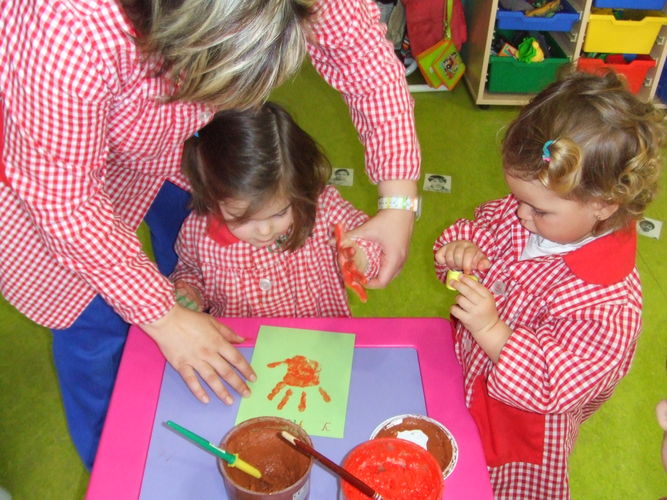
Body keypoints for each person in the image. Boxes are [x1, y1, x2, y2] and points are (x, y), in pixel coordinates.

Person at [0, 0, 420, 468]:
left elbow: (358, 50)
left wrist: (399, 201)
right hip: (60, 171)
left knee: (184, 318)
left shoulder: (259, 184)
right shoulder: (66, 23)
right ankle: (123, 465)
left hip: (189, 156)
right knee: (98, 323)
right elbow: (64, 200)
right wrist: (162, 313)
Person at [433, 71, 663, 499]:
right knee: (458, 462)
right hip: (466, 374)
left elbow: (552, 383)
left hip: (522, 427)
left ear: (603, 204)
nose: (519, 215)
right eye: (515, 198)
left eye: (538, 211)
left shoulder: (610, 303)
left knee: (502, 487)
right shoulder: (529, 208)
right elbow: (478, 229)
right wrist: (457, 251)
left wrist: (491, 331)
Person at [171, 102, 381, 316]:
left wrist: (359, 256)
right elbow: (191, 270)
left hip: (319, 335)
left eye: (280, 212)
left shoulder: (324, 208)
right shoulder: (199, 231)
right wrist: (191, 291)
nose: (264, 231)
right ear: (212, 198)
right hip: (243, 342)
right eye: (242, 218)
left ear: (300, 187)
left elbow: (372, 238)